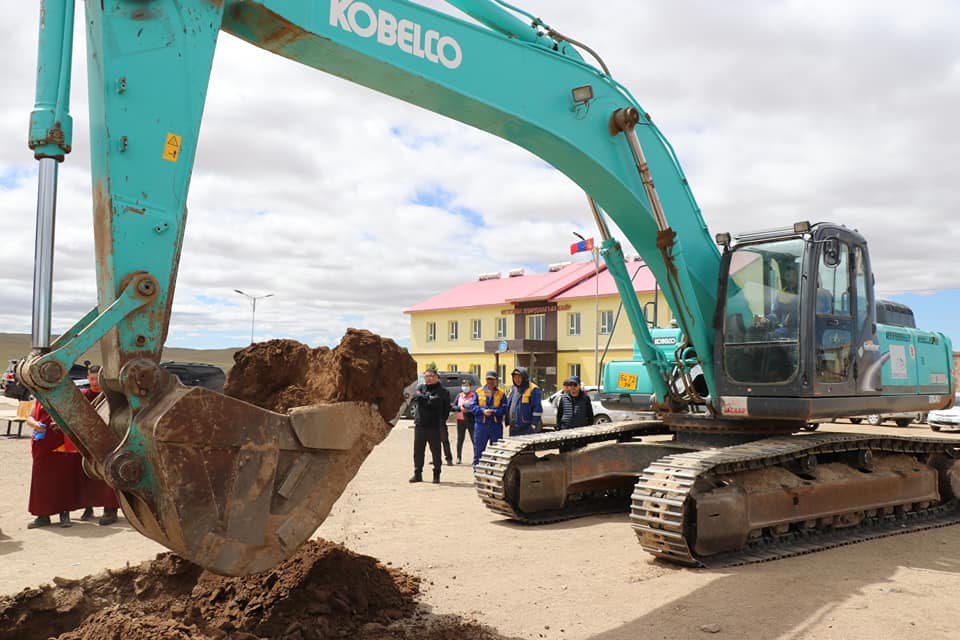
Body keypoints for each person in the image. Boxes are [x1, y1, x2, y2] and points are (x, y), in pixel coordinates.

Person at [26, 400, 83, 528]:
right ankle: (42, 516)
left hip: (60, 442)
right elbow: (29, 417)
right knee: (40, 480)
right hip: (42, 443)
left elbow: (75, 416)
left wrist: (63, 422)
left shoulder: (63, 396)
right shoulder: (38, 399)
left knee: (62, 479)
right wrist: (35, 424)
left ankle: (64, 514)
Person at [77, 366, 121, 526]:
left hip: (109, 443)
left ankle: (110, 510)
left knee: (108, 477)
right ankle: (88, 508)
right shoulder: (83, 396)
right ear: (87, 378)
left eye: (97, 379)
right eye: (92, 379)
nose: (95, 382)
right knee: (87, 476)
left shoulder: (114, 398)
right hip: (89, 443)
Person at [409, 368, 451, 484]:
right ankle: (418, 474)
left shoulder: (442, 391)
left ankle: (436, 474)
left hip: (434, 425)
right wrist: (428, 398)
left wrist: (424, 398)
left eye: (432, 376)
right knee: (418, 451)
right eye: (427, 376)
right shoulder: (421, 387)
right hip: (420, 424)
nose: (429, 378)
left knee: (436, 451)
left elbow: (439, 404)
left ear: (437, 377)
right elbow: (415, 397)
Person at [471, 371, 507, 468]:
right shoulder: (478, 392)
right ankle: (477, 470)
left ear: (496, 380)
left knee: (496, 451)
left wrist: (494, 412)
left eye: (492, 379)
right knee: (478, 450)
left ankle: (493, 470)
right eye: (488, 379)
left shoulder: (501, 394)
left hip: (495, 426)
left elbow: (504, 409)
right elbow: (472, 407)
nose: (490, 381)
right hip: (481, 425)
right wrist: (483, 411)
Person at [505, 367, 542, 436]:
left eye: (519, 377)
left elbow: (537, 409)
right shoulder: (513, 388)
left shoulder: (533, 389)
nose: (517, 380)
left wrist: (533, 425)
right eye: (515, 377)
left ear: (524, 377)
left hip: (526, 429)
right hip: (513, 428)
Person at [451, 378, 476, 465]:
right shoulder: (459, 395)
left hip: (471, 420)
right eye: (464, 385)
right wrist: (459, 408)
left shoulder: (473, 396)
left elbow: (476, 406)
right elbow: (453, 406)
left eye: (467, 386)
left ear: (470, 387)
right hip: (460, 420)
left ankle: (476, 458)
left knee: (474, 439)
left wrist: (468, 410)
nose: (465, 387)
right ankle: (458, 457)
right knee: (460, 439)